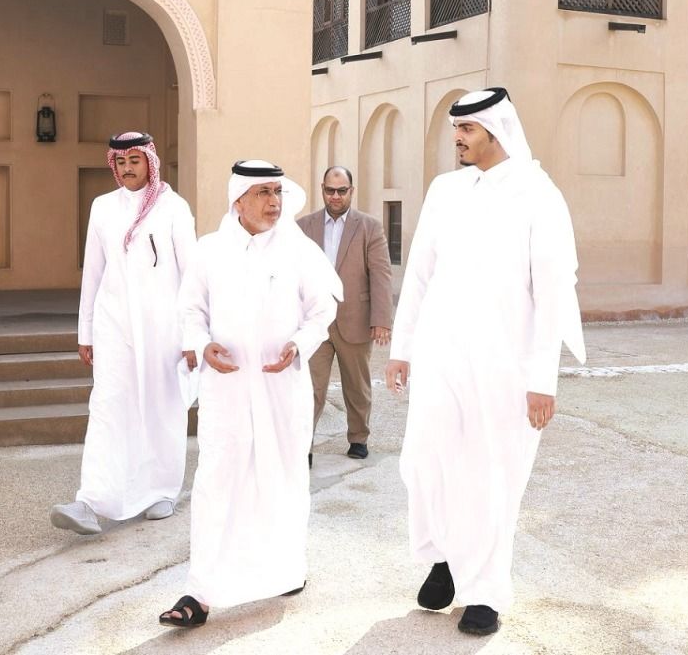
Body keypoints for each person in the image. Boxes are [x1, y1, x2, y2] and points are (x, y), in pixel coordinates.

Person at [384, 87, 586, 636]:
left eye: (466, 129)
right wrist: (402, 348)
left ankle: (485, 592)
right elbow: (419, 272)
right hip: (439, 353)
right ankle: (446, 558)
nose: (457, 138)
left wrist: (543, 379)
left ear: (494, 131)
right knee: (425, 461)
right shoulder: (445, 190)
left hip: (504, 363)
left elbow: (551, 292)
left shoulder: (537, 195)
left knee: (491, 473)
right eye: (456, 129)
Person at [158, 160, 342, 628]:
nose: (274, 202)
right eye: (263, 193)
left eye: (277, 192)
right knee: (216, 483)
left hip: (282, 389)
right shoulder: (210, 251)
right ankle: (199, 594)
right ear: (238, 200)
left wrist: (299, 344)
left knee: (284, 480)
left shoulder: (298, 251)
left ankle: (287, 569)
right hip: (228, 389)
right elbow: (190, 310)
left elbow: (322, 310)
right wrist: (201, 344)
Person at [49, 131, 196, 536]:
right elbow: (93, 272)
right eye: (121, 162)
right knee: (107, 407)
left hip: (164, 329)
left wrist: (193, 336)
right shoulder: (103, 207)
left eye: (135, 160)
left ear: (150, 161)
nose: (128, 168)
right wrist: (85, 331)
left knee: (161, 408)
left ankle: (162, 490)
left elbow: (193, 275)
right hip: (113, 324)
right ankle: (91, 501)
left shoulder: (173, 207)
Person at [297, 166, 393, 462]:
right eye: (330, 190)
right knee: (310, 388)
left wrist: (381, 320)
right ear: (322, 189)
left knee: (357, 386)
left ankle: (358, 437)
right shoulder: (303, 226)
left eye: (341, 191)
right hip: (314, 322)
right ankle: (303, 445)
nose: (335, 196)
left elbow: (380, 274)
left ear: (351, 191)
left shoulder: (369, 227)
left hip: (355, 317)